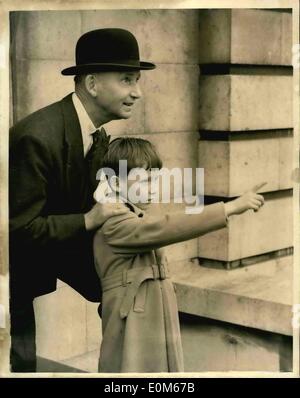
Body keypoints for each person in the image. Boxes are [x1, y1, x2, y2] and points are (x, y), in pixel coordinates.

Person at [9, 28, 156, 372]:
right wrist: (91, 219)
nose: (137, 93)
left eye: (137, 80)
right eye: (126, 80)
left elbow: (79, 207)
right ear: (92, 84)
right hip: (9, 273)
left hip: (42, 256)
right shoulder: (36, 138)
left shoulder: (95, 134)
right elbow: (14, 231)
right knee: (17, 361)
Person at [93, 137, 265, 373]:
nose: (153, 188)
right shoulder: (114, 223)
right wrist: (230, 207)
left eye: (155, 180)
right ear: (116, 183)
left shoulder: (130, 217)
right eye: (144, 180)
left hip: (148, 321)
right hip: (132, 325)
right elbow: (168, 226)